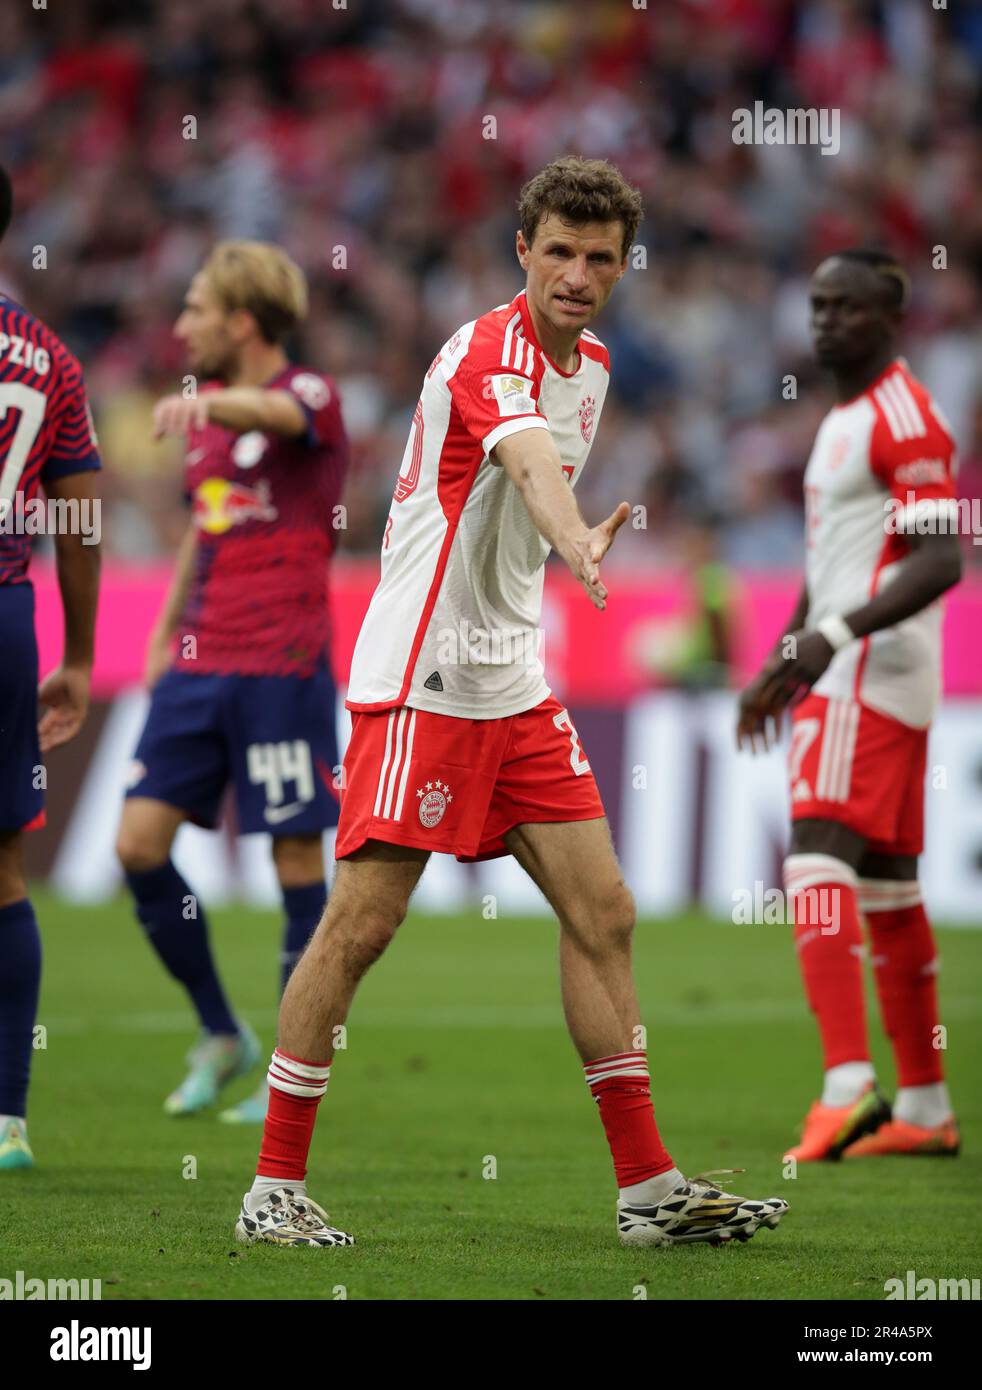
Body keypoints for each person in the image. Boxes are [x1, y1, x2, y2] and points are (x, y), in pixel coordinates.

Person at [233, 157, 789, 1248]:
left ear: (623, 267)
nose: (577, 275)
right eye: (559, 252)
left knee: (605, 911)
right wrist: (573, 535)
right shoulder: (486, 351)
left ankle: (647, 1192)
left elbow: (537, 467)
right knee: (361, 924)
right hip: (425, 677)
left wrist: (562, 542)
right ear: (522, 251)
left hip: (512, 681)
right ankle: (271, 1188)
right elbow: (531, 464)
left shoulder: (598, 367)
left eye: (600, 258)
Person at [116, 241, 349, 1124]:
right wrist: (163, 628)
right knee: (137, 846)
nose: (181, 327)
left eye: (195, 309)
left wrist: (209, 400)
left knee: (294, 857)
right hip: (198, 663)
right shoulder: (209, 422)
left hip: (282, 666)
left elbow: (280, 413)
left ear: (242, 321)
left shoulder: (309, 394)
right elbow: (203, 528)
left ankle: (290, 1072)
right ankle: (222, 1032)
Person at [737, 250, 963, 1161]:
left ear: (890, 319)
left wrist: (830, 640)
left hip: (868, 674)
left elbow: (941, 560)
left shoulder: (905, 417)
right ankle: (926, 1106)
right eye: (819, 305)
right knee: (889, 888)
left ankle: (845, 1086)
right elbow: (830, 564)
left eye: (847, 307)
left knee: (814, 856)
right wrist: (780, 660)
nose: (827, 321)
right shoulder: (841, 419)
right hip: (859, 669)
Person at [0, 165, 102, 1169]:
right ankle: (7, 1121)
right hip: (7, 619)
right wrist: (77, 654)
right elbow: (79, 520)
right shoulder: (49, 358)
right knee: (5, 870)